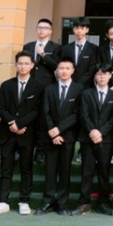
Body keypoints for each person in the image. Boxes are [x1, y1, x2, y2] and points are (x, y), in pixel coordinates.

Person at [0, 52, 43, 216]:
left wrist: (20, 124)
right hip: (7, 132)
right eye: (20, 63)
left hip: (27, 133)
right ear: (16, 64)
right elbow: (1, 108)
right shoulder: (7, 85)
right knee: (6, 168)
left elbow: (37, 110)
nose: (23, 66)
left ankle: (24, 201)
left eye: (27, 63)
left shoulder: (38, 86)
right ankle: (3, 201)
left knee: (26, 168)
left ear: (32, 65)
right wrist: (13, 123)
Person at [38, 59, 81, 215]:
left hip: (67, 137)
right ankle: (47, 201)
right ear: (56, 70)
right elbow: (45, 111)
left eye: (67, 68)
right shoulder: (49, 89)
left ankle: (63, 203)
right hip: (50, 136)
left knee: (65, 171)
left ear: (72, 70)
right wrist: (52, 130)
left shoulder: (78, 89)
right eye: (61, 68)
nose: (64, 71)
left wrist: (59, 130)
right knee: (49, 171)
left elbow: (77, 114)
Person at [77, 64, 113, 215]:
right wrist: (93, 131)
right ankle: (84, 203)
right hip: (88, 138)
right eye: (99, 74)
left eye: (105, 74)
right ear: (95, 76)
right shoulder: (86, 93)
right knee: (86, 171)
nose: (102, 77)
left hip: (106, 139)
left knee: (104, 171)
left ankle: (103, 202)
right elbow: (84, 114)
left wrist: (101, 132)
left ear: (110, 76)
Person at [61, 17, 102, 88]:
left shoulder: (93, 48)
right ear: (73, 29)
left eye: (82, 28)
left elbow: (92, 69)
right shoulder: (66, 48)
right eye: (76, 28)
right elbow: (63, 66)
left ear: (87, 30)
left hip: (87, 86)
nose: (79, 31)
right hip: (69, 84)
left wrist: (80, 83)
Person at [23, 18, 61, 87]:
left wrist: (43, 55)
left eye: (45, 28)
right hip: (30, 80)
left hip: (47, 82)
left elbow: (56, 65)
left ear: (50, 31)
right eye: (39, 27)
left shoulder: (56, 47)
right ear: (36, 29)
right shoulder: (28, 46)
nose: (42, 30)